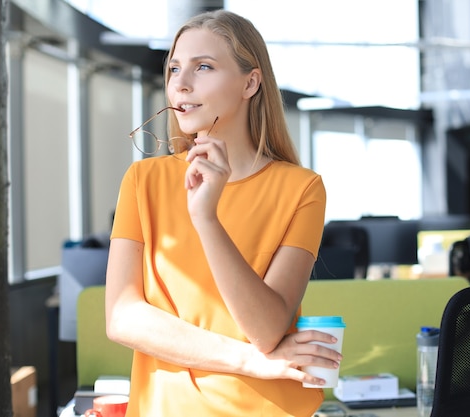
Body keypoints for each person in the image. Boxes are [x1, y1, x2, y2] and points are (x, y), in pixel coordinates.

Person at [105, 9, 339, 417]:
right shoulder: (143, 180)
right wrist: (249, 361)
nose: (181, 82)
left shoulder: (302, 189)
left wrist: (206, 219)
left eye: (204, 67)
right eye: (175, 68)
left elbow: (266, 330)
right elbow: (123, 317)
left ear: (250, 82)